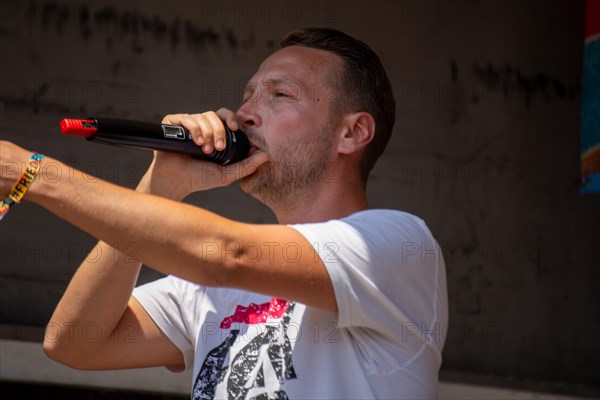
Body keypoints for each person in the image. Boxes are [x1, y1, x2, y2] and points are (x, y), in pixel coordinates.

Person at [0, 28, 448, 399]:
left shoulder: (396, 245)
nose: (245, 113)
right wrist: (161, 187)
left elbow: (223, 254)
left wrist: (38, 176)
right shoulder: (206, 291)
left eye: (280, 95)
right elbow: (74, 342)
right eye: (248, 94)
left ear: (352, 132)